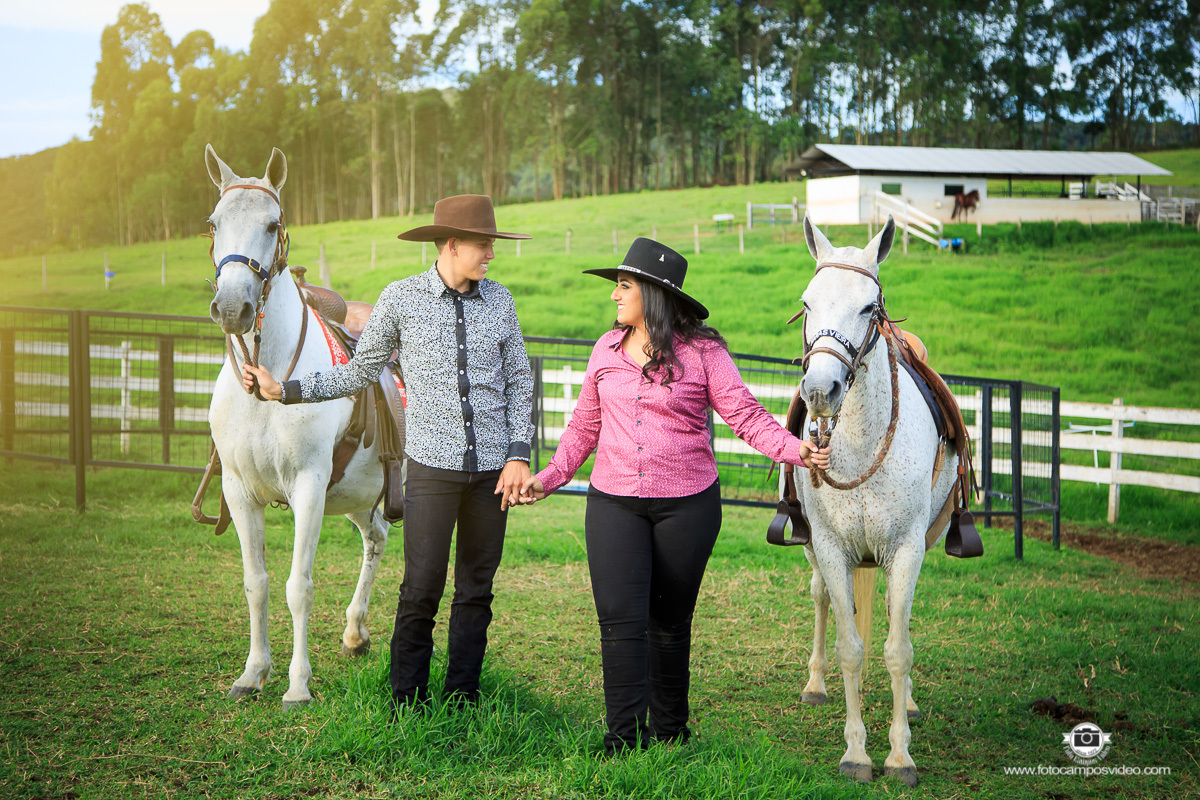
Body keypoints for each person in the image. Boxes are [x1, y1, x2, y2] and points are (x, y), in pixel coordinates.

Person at [517, 238, 831, 755]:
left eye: (624, 286)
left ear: (654, 294)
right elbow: (583, 429)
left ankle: (670, 732)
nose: (615, 295)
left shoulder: (704, 353)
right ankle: (622, 738)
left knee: (668, 623)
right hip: (613, 502)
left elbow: (746, 417)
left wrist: (798, 450)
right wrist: (547, 478)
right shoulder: (605, 350)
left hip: (688, 506)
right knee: (620, 621)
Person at [242, 194, 534, 712]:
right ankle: (407, 700)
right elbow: (357, 372)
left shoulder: (502, 302)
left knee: (477, 589)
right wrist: (284, 390)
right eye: (483, 245)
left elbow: (518, 380)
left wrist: (518, 455)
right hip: (432, 469)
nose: (491, 254)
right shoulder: (401, 299)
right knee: (421, 586)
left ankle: (463, 696)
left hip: (494, 470)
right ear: (451, 245)